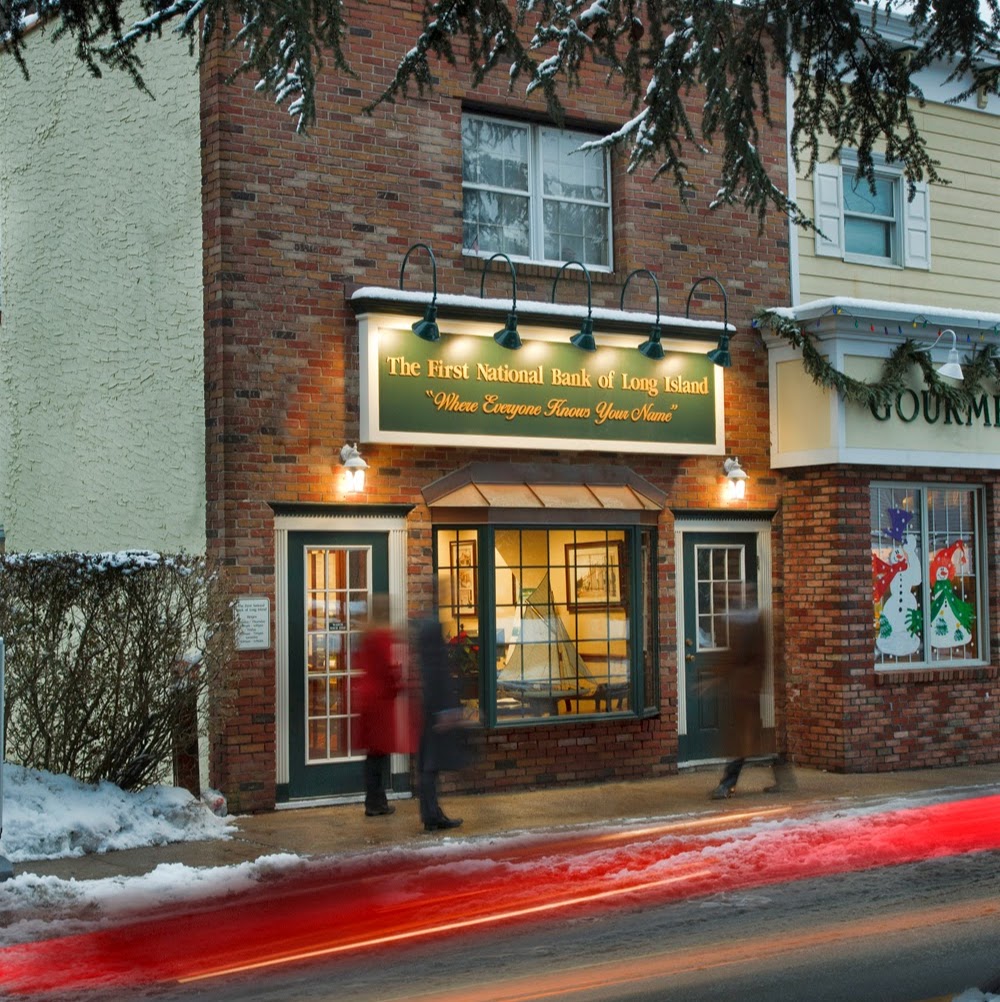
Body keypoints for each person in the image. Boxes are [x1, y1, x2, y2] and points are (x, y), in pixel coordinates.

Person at [710, 598, 796, 800]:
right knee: (754, 740)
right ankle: (783, 778)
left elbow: (742, 659)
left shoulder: (750, 627)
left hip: (745, 692)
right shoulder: (745, 625)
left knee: (745, 741)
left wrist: (730, 680)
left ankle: (727, 784)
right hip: (743, 691)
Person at [415, 613, 468, 832]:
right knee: (430, 767)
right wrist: (446, 711)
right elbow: (440, 684)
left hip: (429, 714)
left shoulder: (426, 656)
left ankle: (432, 813)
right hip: (435, 715)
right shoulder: (435, 658)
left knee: (428, 767)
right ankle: (432, 816)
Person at [355, 594, 402, 817]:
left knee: (374, 755)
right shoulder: (382, 636)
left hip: (368, 700)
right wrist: (398, 681)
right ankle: (375, 802)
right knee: (378, 755)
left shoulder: (367, 635)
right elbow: (387, 669)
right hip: (379, 702)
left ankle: (375, 800)